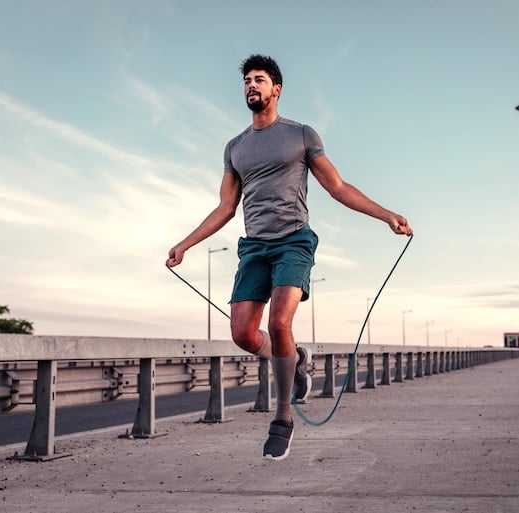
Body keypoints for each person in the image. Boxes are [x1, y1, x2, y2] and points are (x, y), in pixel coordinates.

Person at [166, 54, 412, 461]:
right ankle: (297, 358)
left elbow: (337, 186)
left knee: (280, 321)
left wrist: (386, 215)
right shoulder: (235, 148)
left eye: (259, 80)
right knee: (243, 334)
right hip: (254, 247)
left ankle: (282, 418)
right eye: (247, 80)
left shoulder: (300, 135)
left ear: (276, 90)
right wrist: (185, 244)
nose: (251, 86)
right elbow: (225, 208)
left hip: (294, 241)